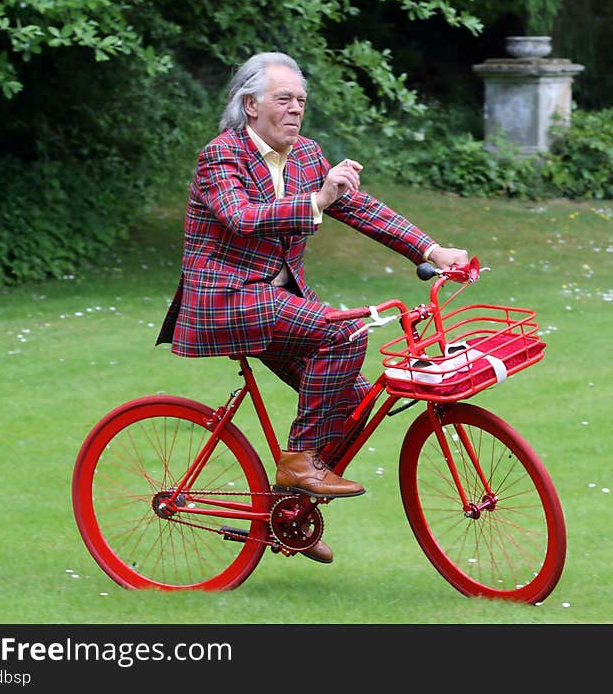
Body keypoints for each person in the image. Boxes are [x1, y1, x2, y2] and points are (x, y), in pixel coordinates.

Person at [156, 51, 468, 564]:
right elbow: (242, 217)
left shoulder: (305, 155)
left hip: (278, 301)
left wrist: (432, 251)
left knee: (352, 403)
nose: (296, 109)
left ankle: (288, 514)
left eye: (301, 100)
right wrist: (316, 201)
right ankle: (299, 463)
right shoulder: (222, 155)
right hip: (227, 298)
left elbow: (360, 208)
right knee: (345, 334)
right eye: (284, 99)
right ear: (250, 105)